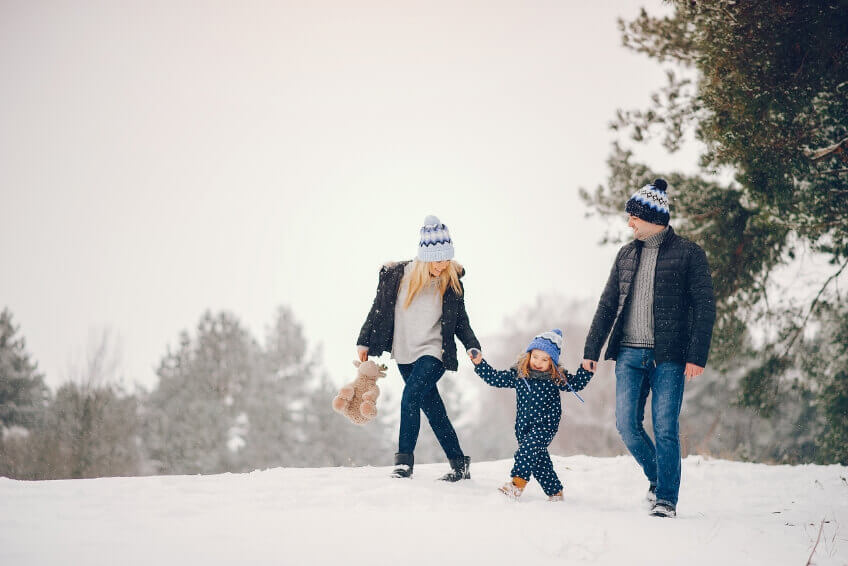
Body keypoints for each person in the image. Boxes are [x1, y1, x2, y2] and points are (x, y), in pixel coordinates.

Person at [581, 178, 716, 518]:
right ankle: (658, 477)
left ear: (653, 217)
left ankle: (666, 499)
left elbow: (704, 306)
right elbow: (608, 304)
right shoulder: (626, 254)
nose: (629, 223)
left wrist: (696, 355)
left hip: (668, 357)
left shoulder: (689, 254)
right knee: (627, 424)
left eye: (633, 217)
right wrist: (591, 350)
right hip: (629, 354)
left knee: (666, 428)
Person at [356, 215, 481, 481]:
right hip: (404, 353)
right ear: (424, 258)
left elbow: (461, 322)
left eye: (446, 259)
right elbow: (377, 311)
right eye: (437, 260)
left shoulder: (451, 281)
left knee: (410, 397)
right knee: (433, 409)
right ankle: (459, 464)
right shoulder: (396, 277)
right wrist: (364, 340)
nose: (442, 265)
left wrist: (472, 346)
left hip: (434, 352)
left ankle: (404, 463)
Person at [470, 329, 593, 501]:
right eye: (535, 356)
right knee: (539, 461)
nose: (538, 362)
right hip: (523, 427)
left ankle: (516, 485)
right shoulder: (519, 375)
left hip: (546, 425)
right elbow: (494, 378)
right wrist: (479, 363)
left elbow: (576, 384)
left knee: (527, 451)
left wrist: (586, 370)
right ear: (529, 355)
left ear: (553, 362)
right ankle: (555, 493)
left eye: (545, 359)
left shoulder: (555, 378)